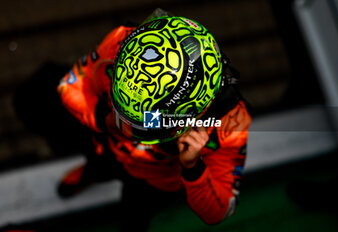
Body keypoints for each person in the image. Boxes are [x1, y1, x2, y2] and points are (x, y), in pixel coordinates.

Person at [57, 11, 251, 231]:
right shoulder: (122, 40)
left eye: (147, 122)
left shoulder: (231, 119)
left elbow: (219, 210)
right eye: (125, 112)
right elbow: (70, 83)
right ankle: (90, 173)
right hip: (107, 145)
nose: (127, 128)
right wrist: (102, 120)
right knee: (97, 165)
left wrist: (192, 167)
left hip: (154, 182)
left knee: (134, 220)